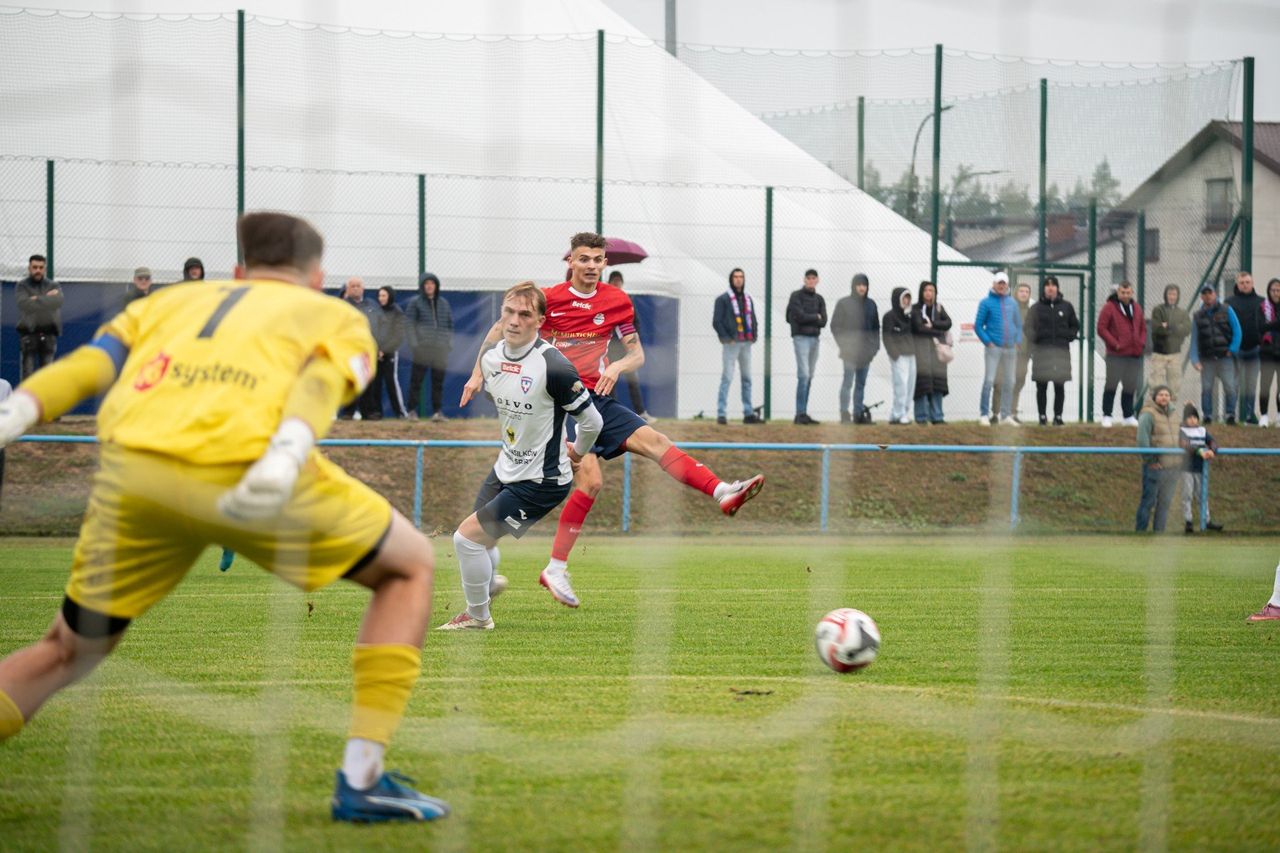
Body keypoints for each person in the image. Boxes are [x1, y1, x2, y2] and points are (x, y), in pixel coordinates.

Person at [0, 211, 450, 823]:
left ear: (238, 271)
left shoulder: (171, 303)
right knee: (411, 567)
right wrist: (289, 450)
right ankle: (363, 778)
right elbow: (321, 382)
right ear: (316, 276)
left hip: (136, 474)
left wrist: (19, 412)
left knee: (64, 650)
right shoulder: (335, 314)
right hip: (250, 467)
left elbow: (95, 364)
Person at [461, 232, 764, 609]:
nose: (591, 266)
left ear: (606, 264)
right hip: (561, 403)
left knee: (657, 442)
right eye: (584, 259)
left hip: (599, 399)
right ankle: (553, 567)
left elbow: (636, 354)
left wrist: (618, 366)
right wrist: (476, 374)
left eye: (598, 260)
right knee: (590, 480)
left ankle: (722, 492)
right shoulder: (548, 299)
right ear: (570, 261)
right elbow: (497, 331)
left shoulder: (618, 301)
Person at [438, 282, 602, 631]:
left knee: (465, 539)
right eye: (508, 312)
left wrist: (578, 452)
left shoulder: (553, 366)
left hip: (542, 481)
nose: (514, 321)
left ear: (540, 320)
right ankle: (488, 583)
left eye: (524, 314)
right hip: (505, 469)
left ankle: (477, 616)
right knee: (479, 542)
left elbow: (592, 421)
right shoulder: (491, 359)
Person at [1024, 275, 1080, 426]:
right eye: (1047, 285)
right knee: (1041, 385)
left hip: (1061, 353)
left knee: (1059, 385)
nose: (1050, 288)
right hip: (1042, 352)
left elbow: (1075, 325)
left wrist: (1068, 336)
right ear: (1043, 289)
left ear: (1057, 288)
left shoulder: (1066, 307)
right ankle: (1042, 416)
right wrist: (1036, 338)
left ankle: (1058, 417)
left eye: (1053, 285)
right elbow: (1027, 327)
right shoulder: (1035, 308)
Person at [712, 267, 761, 425]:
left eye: (741, 277)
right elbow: (717, 321)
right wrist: (726, 338)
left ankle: (748, 413)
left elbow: (752, 318)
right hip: (731, 344)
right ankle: (721, 413)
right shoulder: (723, 299)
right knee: (727, 377)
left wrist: (753, 335)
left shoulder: (747, 299)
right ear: (731, 279)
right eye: (736, 277)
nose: (739, 279)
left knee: (747, 379)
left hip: (746, 343)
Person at [606, 271, 655, 424]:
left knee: (633, 380)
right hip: (610, 347)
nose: (617, 284)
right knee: (609, 380)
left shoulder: (627, 300)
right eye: (614, 281)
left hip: (626, 348)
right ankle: (612, 413)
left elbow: (636, 323)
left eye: (619, 281)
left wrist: (633, 342)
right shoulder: (604, 299)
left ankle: (641, 412)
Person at [830, 273, 879, 424]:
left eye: (864, 285)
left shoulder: (871, 304)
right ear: (854, 286)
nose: (861, 288)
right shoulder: (844, 303)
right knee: (848, 383)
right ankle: (844, 414)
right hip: (849, 353)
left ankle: (858, 414)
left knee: (861, 384)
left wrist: (873, 348)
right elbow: (835, 326)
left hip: (866, 353)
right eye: (859, 285)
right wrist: (845, 345)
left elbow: (876, 329)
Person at [1096, 280, 1147, 427]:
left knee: (1130, 386)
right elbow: (1101, 328)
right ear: (1118, 293)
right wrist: (1115, 344)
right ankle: (1107, 415)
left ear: (1132, 293)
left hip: (1134, 354)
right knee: (1111, 384)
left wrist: (1141, 342)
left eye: (1128, 292)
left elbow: (1143, 328)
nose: (1125, 295)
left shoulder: (1136, 308)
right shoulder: (1109, 307)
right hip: (1116, 355)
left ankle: (1128, 416)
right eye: (1122, 292)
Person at [974, 271, 1021, 426]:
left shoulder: (1012, 303)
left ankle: (1005, 415)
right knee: (989, 380)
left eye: (1004, 283)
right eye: (999, 283)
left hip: (1010, 348)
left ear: (1007, 285)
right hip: (993, 348)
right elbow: (978, 326)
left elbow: (1018, 324)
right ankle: (983, 415)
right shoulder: (985, 303)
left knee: (1010, 381)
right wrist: (988, 342)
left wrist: (1017, 341)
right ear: (994, 284)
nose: (1001, 286)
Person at [1189, 284, 1241, 425]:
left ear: (1215, 294)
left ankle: (1230, 414)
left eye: (1210, 293)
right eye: (1204, 293)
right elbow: (1194, 340)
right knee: (1207, 388)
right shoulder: (1197, 316)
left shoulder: (1227, 309)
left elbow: (1237, 331)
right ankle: (1207, 416)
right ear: (1201, 296)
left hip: (1225, 357)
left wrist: (1232, 349)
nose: (1207, 296)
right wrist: (1195, 360)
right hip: (1206, 358)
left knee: (1229, 386)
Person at [405, 272, 453, 422]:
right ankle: (412, 411)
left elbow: (450, 325)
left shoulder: (444, 303)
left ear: (436, 286)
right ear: (422, 286)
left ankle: (437, 412)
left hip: (440, 349)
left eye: (432, 283)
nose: (429, 286)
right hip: (422, 348)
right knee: (416, 381)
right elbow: (409, 324)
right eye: (426, 284)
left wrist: (448, 344)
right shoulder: (415, 302)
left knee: (437, 382)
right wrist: (414, 344)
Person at [1135, 384, 1179, 532]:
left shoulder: (1174, 414)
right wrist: (1150, 461)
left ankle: (1159, 533)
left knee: (1164, 504)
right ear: (1154, 397)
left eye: (1167, 395)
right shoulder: (1148, 414)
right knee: (1148, 502)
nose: (1164, 397)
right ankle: (1140, 532)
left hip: (1172, 467)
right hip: (1155, 467)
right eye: (1161, 395)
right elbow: (1142, 440)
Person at [786, 268, 826, 424]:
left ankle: (803, 413)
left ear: (817, 280)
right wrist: (814, 316)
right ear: (804, 280)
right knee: (803, 375)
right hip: (801, 338)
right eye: (808, 278)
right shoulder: (796, 296)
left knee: (809, 376)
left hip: (815, 340)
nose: (810, 280)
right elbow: (797, 316)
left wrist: (813, 318)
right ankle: (799, 413)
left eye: (813, 278)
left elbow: (823, 321)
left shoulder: (819, 299)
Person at [338, 277, 381, 420]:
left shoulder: (371, 305)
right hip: (351, 348)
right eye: (352, 286)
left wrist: (378, 347)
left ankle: (368, 412)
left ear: (363, 288)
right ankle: (348, 412)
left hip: (368, 348)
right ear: (348, 289)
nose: (356, 288)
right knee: (351, 379)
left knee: (369, 381)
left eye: (358, 286)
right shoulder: (343, 306)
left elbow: (378, 327)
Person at [16, 254, 63, 381]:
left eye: (41, 267)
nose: (38, 270)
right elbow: (24, 304)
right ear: (29, 268)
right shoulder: (22, 286)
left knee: (47, 378)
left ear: (45, 269)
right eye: (35, 267)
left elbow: (58, 301)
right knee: (28, 377)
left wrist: (35, 298)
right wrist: (46, 298)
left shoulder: (54, 285)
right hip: (28, 335)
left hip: (48, 335)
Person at [910, 280, 951, 424]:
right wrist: (936, 330)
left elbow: (948, 323)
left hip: (937, 351)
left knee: (938, 383)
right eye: (926, 290)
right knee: (923, 383)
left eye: (931, 290)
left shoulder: (939, 308)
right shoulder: (915, 309)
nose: (929, 293)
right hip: (921, 351)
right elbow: (919, 327)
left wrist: (933, 324)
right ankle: (921, 417)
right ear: (921, 292)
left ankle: (937, 416)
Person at [1178, 403, 1222, 534]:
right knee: (1187, 495)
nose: (1192, 420)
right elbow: (1185, 444)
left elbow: (1212, 442)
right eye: (1189, 417)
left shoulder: (1202, 431)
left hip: (1200, 469)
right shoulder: (1182, 431)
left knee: (1201, 495)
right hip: (1186, 469)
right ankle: (1188, 521)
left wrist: (1212, 451)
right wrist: (1200, 452)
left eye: (1194, 417)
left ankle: (1206, 520)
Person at [1226, 271, 1264, 424]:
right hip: (1235, 350)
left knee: (1251, 384)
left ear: (1252, 283)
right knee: (1233, 383)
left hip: (1255, 349)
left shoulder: (1262, 302)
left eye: (1247, 282)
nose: (1245, 285)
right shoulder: (1229, 303)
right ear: (1237, 284)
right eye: (1242, 283)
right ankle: (1230, 414)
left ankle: (1249, 415)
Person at [992, 281, 1032, 423]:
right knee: (1000, 383)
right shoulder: (1007, 307)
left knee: (1018, 383)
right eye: (1021, 291)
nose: (1024, 294)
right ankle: (996, 414)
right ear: (1015, 292)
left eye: (1027, 292)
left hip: (1024, 355)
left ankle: (1012, 413)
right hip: (1006, 352)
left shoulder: (1031, 312)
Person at [370, 285, 409, 419]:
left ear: (390, 296)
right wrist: (376, 350)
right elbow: (372, 331)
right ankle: (376, 412)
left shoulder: (397, 312)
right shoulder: (375, 311)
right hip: (375, 353)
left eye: (384, 295)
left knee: (391, 382)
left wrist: (384, 350)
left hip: (390, 354)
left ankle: (400, 413)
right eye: (379, 296)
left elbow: (398, 336)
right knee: (375, 383)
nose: (381, 298)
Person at [1148, 284, 1191, 395]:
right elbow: (1156, 328)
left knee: (1174, 386)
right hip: (1159, 354)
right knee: (1156, 385)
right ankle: (1155, 410)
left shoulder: (1182, 313)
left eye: (1174, 294)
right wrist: (1175, 328)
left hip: (1175, 354)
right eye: (1170, 294)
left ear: (1178, 296)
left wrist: (1170, 326)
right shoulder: (1158, 310)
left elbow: (1186, 329)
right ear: (1165, 295)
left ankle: (1171, 410)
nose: (1172, 297)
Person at [882, 287, 915, 425]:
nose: (906, 300)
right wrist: (894, 354)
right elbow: (887, 337)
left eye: (908, 298)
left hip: (912, 355)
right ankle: (897, 413)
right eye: (904, 298)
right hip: (899, 356)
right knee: (900, 385)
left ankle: (904, 413)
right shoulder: (889, 316)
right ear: (897, 299)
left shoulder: (910, 316)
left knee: (910, 386)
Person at [1260, 277, 1280, 428]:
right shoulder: (1262, 307)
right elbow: (1259, 327)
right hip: (1267, 352)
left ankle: (1279, 415)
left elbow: (1269, 325)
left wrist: (1269, 325)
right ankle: (1264, 416)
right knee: (1265, 385)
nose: (1275, 293)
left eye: (1278, 290)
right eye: (1273, 290)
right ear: (1269, 291)